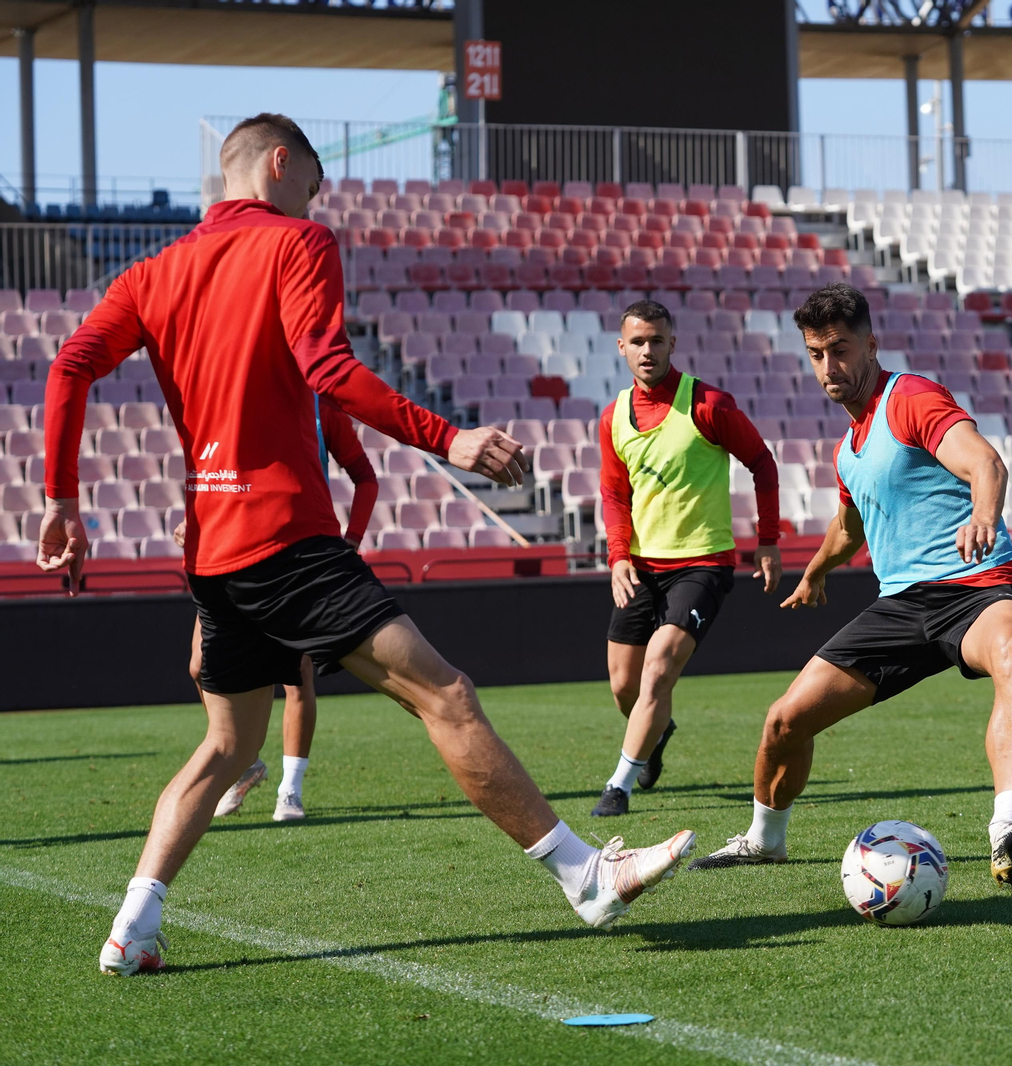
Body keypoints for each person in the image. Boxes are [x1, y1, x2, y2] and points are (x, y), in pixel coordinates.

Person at [39, 114, 695, 977]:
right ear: (281, 165)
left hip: (213, 553)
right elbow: (328, 369)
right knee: (446, 695)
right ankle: (586, 874)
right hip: (285, 539)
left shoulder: (153, 272)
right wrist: (447, 439)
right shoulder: (298, 240)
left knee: (228, 748)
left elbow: (69, 367)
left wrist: (62, 499)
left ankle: (133, 925)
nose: (318, 198)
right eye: (314, 179)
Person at [689, 284, 1012, 887]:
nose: (830, 366)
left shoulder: (910, 397)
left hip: (978, 586)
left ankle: (1008, 829)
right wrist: (817, 569)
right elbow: (849, 526)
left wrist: (983, 514)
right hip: (903, 607)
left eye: (840, 348)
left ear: (870, 345)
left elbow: (985, 463)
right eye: (815, 353)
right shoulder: (847, 451)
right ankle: (763, 840)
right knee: (784, 720)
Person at [591, 300, 784, 816]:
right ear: (622, 347)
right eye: (637, 341)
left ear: (672, 343)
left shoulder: (708, 404)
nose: (647, 350)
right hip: (640, 565)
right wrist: (617, 557)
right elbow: (613, 494)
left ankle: (619, 786)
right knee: (623, 685)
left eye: (657, 340)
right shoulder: (612, 417)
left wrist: (768, 540)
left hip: (703, 564)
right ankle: (656, 732)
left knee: (658, 669)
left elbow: (762, 464)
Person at [208, 396, 382, 821]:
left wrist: (353, 538)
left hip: (301, 557)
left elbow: (365, 477)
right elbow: (222, 478)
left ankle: (290, 790)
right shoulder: (244, 405)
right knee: (200, 666)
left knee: (298, 677)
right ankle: (246, 761)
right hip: (239, 551)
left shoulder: (324, 411)